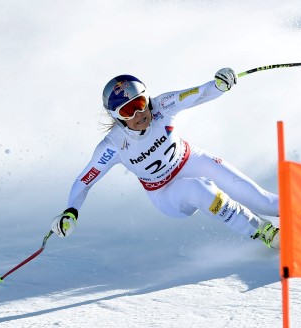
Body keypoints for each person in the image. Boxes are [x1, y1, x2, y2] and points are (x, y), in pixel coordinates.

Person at [50, 68, 280, 248]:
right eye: (128, 111)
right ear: (117, 117)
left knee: (266, 202)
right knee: (199, 189)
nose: (139, 114)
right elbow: (84, 181)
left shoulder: (163, 104)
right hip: (165, 193)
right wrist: (71, 211)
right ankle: (262, 231)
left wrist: (221, 84)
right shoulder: (112, 146)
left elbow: (201, 92)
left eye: (140, 104)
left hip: (191, 160)